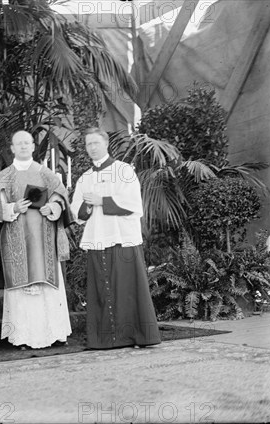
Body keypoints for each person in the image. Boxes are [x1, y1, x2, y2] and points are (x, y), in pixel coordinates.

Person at [70, 127, 161, 349]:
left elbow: (133, 205)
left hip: (122, 238)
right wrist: (87, 207)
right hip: (98, 238)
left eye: (96, 143)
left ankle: (136, 336)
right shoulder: (85, 178)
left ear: (106, 143)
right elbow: (76, 212)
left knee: (127, 289)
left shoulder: (123, 171)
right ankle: (104, 339)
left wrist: (102, 201)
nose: (92, 148)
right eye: (88, 144)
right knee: (102, 289)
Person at [0, 130, 73, 349]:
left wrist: (53, 207)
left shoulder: (45, 173)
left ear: (32, 146)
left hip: (43, 239)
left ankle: (55, 334)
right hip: (16, 238)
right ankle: (23, 337)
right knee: (21, 286)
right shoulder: (4, 177)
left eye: (27, 143)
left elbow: (61, 197)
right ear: (12, 148)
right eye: (19, 144)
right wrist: (13, 207)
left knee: (48, 285)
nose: (24, 147)